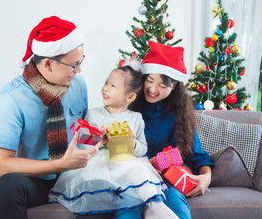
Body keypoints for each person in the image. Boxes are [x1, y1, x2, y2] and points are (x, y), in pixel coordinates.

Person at [0, 16, 100, 219]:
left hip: (75, 175)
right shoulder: (10, 99)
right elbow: (0, 165)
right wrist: (61, 164)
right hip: (39, 179)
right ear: (48, 64)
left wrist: (98, 137)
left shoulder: (78, 85)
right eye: (74, 65)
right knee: (8, 185)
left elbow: (80, 133)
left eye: (80, 62)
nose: (80, 70)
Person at [49, 64, 179, 219]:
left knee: (138, 168)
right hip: (101, 166)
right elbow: (83, 145)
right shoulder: (93, 115)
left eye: (113, 86)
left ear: (130, 97)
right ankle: (154, 206)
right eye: (106, 83)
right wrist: (101, 140)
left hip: (128, 164)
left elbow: (143, 149)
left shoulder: (136, 118)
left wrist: (133, 144)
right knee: (132, 169)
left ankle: (154, 206)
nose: (106, 88)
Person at [131, 41, 215, 219]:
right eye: (150, 80)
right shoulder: (129, 106)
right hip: (133, 180)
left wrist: (206, 178)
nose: (152, 89)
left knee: (174, 202)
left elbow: (197, 155)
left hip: (168, 183)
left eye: (162, 85)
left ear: (175, 85)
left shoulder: (180, 114)